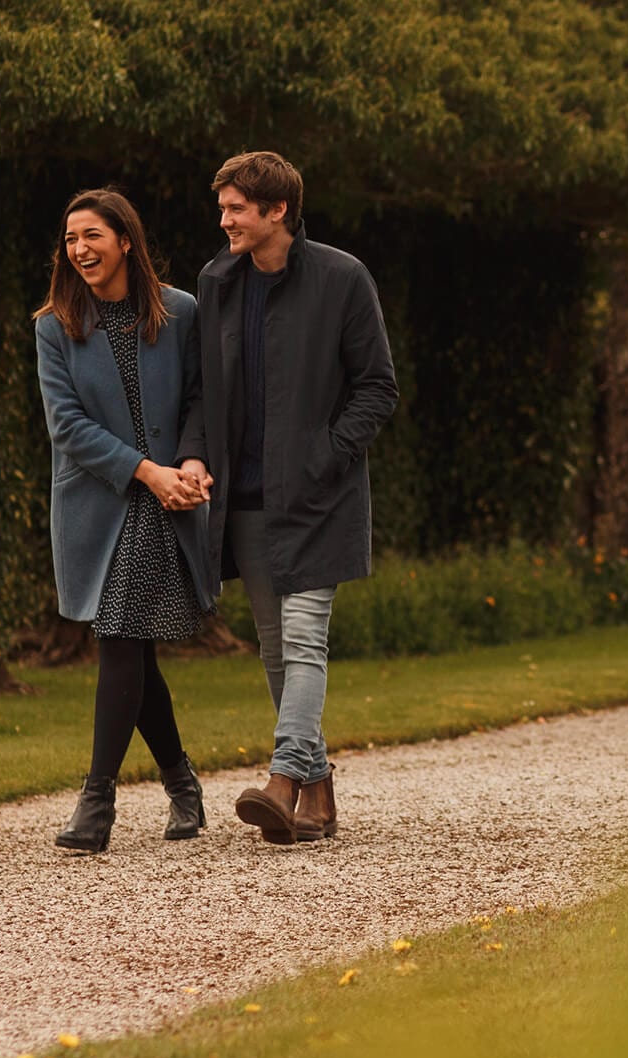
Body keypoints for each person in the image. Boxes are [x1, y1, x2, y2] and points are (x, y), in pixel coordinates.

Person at [176, 151, 398, 845]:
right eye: (223, 208)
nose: (225, 220)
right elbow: (203, 388)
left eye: (236, 208)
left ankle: (283, 778)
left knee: (303, 641)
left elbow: (377, 388)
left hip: (317, 497)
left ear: (277, 211)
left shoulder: (342, 278)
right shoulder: (216, 281)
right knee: (277, 651)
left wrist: (321, 457)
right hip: (243, 502)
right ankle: (319, 798)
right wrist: (194, 455)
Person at [34, 188, 214, 853]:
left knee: (120, 637)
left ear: (126, 242)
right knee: (130, 643)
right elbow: (68, 428)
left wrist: (190, 459)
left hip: (168, 505)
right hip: (106, 500)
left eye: (92, 236)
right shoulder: (54, 325)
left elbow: (201, 398)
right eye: (71, 239)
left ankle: (97, 801)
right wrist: (148, 471)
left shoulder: (180, 312)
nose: (79, 249)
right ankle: (181, 781)